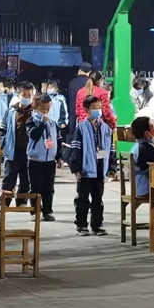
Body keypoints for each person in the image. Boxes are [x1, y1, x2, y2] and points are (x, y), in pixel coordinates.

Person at [69, 95, 114, 236]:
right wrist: (76, 168)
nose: (98, 110)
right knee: (82, 199)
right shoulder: (81, 128)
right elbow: (75, 149)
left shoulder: (106, 128)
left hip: (100, 169)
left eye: (99, 107)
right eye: (94, 108)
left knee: (98, 200)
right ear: (86, 110)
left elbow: (111, 149)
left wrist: (111, 168)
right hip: (86, 170)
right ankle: (81, 225)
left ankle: (97, 225)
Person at [0, 81, 35, 206]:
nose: (27, 98)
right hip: (12, 151)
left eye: (29, 95)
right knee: (9, 179)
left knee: (26, 179)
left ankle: (22, 201)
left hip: (29, 152)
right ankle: (4, 203)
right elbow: (2, 129)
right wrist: (4, 144)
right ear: (18, 95)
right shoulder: (11, 111)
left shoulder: (34, 113)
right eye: (24, 95)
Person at [26, 93, 58, 221]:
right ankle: (35, 211)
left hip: (50, 160)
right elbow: (34, 135)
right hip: (35, 159)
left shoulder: (52, 122)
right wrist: (42, 123)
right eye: (42, 109)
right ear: (36, 107)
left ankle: (47, 211)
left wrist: (59, 156)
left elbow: (57, 139)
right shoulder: (31, 121)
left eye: (47, 109)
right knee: (35, 187)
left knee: (49, 188)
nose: (45, 111)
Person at [67, 62, 92, 149]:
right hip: (87, 114)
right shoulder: (90, 83)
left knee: (73, 139)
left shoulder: (72, 82)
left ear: (79, 71)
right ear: (89, 72)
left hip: (73, 114)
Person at [45, 80, 68, 166]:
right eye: (48, 87)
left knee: (58, 142)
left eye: (51, 87)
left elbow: (64, 111)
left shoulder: (60, 98)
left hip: (57, 124)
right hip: (47, 123)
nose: (49, 89)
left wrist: (64, 121)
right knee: (49, 141)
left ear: (56, 88)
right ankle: (50, 157)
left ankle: (59, 157)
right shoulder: (45, 98)